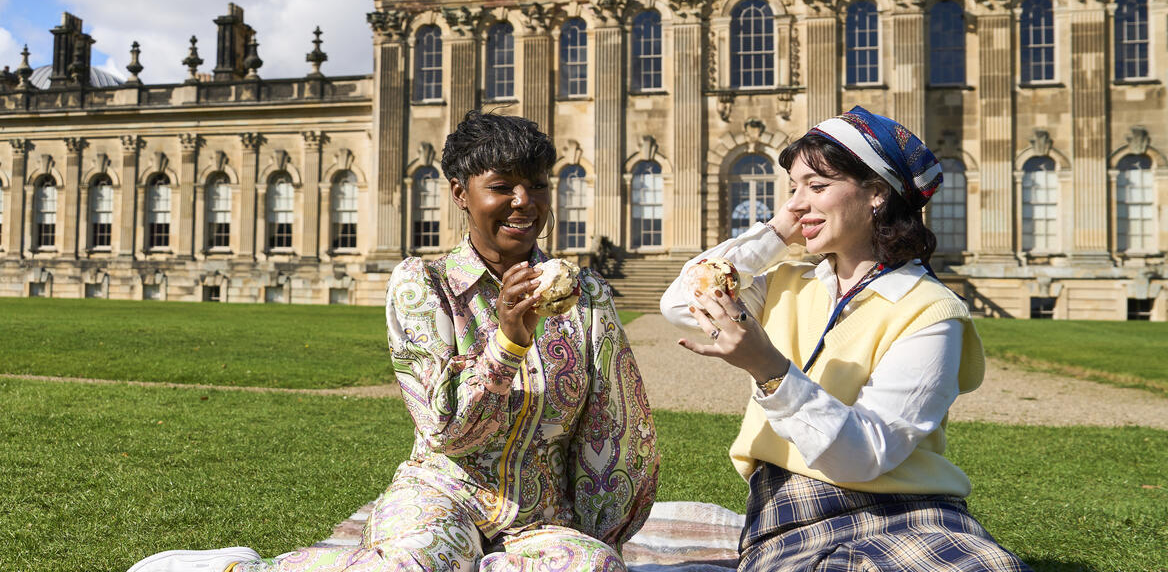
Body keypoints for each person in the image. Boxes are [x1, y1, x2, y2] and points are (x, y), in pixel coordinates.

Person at [128, 112, 658, 572]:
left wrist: (597, 535)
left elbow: (616, 425)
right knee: (421, 563)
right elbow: (444, 428)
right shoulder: (422, 285)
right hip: (442, 494)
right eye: (503, 186)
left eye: (538, 185)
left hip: (540, 517)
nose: (525, 202)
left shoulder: (586, 296)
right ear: (460, 193)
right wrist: (508, 342)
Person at [660, 107, 1029, 571]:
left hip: (916, 510)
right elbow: (680, 302)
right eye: (793, 187)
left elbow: (865, 457)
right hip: (792, 512)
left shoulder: (931, 311)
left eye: (816, 186)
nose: (795, 203)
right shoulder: (784, 283)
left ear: (877, 193)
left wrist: (770, 370)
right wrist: (775, 234)